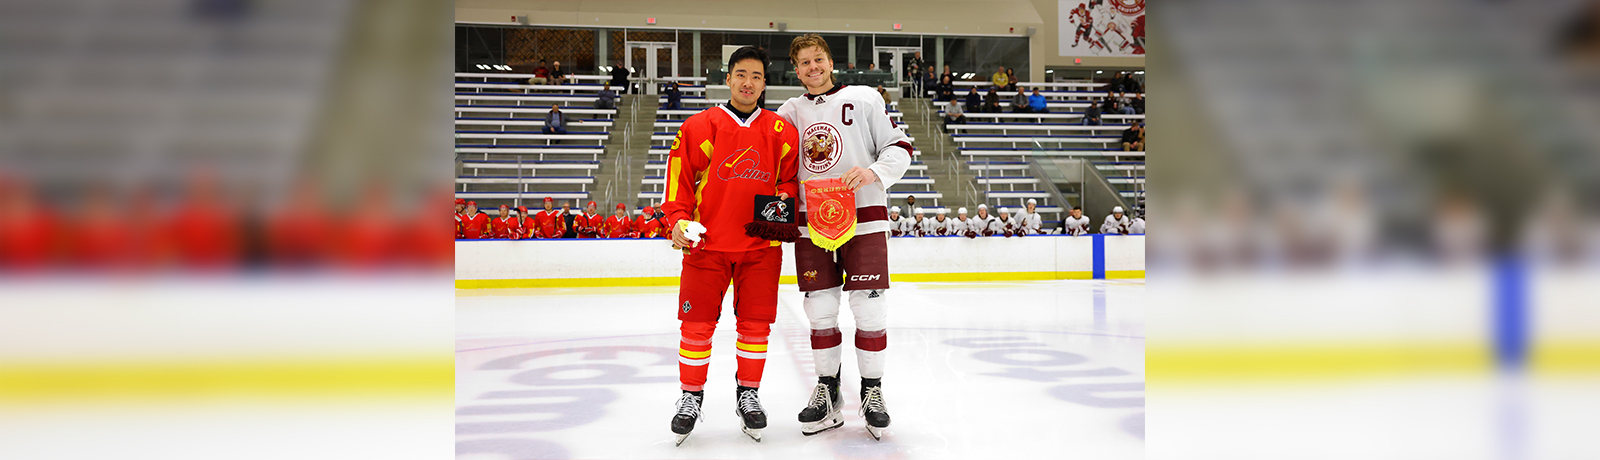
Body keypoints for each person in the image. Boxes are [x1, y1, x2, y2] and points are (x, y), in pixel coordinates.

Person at [778, 33, 912, 440]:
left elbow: (899, 147)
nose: (812, 67)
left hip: (864, 219)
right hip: (810, 225)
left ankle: (872, 392)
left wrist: (873, 172)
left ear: (830, 61)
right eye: (804, 62)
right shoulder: (788, 112)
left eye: (818, 59)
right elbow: (777, 169)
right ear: (796, 70)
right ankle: (828, 391)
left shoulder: (864, 98)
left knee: (869, 310)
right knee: (819, 310)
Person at [664, 45, 800, 445]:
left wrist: (783, 204)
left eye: (756, 76)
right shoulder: (699, 126)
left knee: (755, 326)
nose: (748, 83)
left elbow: (789, 181)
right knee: (696, 326)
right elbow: (678, 180)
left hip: (761, 249)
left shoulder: (781, 131)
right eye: (741, 74)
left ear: (764, 83)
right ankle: (691, 396)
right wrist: (677, 220)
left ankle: (748, 394)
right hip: (706, 247)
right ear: (727, 79)